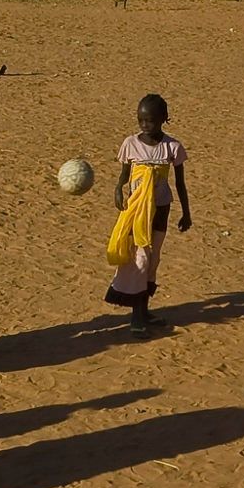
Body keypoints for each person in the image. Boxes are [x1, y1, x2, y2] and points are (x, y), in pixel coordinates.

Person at [106, 94, 192, 333]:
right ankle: (136, 319)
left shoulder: (172, 147)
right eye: (141, 120)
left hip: (161, 211)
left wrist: (186, 213)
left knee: (152, 261)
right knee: (140, 260)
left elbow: (180, 184)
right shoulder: (130, 144)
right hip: (136, 212)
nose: (145, 125)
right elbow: (124, 177)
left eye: (150, 121)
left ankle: (143, 311)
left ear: (164, 119)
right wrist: (118, 191)